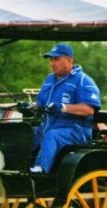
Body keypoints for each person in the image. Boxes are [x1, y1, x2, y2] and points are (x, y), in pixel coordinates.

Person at [30, 43, 100, 173]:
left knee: (52, 135)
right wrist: (30, 107)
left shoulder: (83, 80)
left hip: (76, 131)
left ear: (69, 60)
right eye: (51, 60)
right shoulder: (49, 80)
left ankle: (41, 169)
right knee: (27, 133)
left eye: (56, 59)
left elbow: (89, 110)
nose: (52, 63)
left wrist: (63, 107)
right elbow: (41, 104)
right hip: (48, 125)